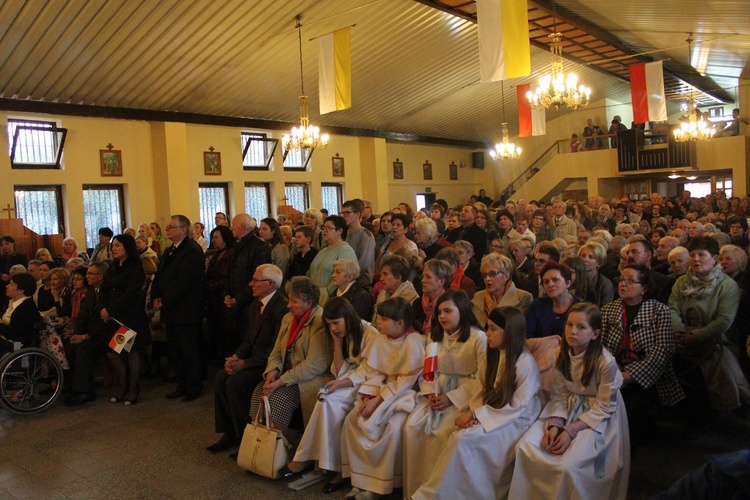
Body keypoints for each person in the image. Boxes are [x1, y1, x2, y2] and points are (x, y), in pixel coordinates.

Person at [411, 306, 541, 499]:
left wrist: (477, 416)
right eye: (487, 327)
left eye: (493, 329)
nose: (487, 333)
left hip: (514, 419)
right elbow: (481, 386)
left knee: (463, 439)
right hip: (491, 412)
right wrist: (475, 412)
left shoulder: (524, 363)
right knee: (458, 435)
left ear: (510, 331)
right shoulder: (495, 353)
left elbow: (516, 406)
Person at [510, 303, 630, 500]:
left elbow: (605, 405)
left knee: (570, 465)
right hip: (567, 407)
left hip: (597, 415)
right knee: (526, 447)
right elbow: (559, 395)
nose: (572, 332)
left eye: (581, 327)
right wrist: (556, 425)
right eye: (569, 325)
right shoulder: (559, 354)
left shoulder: (605, 362)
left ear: (595, 333)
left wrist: (570, 430)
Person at [283, 297, 379, 491]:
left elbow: (368, 370)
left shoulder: (370, 333)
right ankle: (321, 461)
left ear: (347, 317)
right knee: (324, 398)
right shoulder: (343, 335)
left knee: (329, 401)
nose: (333, 328)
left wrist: (341, 383)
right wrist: (336, 342)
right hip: (350, 378)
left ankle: (313, 460)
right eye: (329, 325)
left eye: (336, 323)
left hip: (369, 382)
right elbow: (338, 370)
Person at [403, 290, 487, 498]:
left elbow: (483, 379)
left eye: (448, 311)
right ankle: (417, 487)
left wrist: (451, 398)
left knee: (444, 434)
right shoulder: (435, 336)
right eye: (440, 312)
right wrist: (431, 392)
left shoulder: (478, 338)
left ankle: (440, 493)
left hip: (464, 397)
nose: (442, 317)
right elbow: (429, 371)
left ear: (463, 311)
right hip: (438, 392)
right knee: (413, 426)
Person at [340, 297, 425, 499]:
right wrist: (369, 397)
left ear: (400, 323)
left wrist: (378, 401)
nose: (378, 322)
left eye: (384, 319)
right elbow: (374, 372)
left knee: (393, 429)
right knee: (352, 420)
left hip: (404, 395)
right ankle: (360, 479)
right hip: (380, 391)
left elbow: (407, 380)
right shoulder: (380, 339)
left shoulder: (415, 341)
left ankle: (379, 485)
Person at [600, 264, 684, 448]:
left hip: (648, 374)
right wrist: (614, 371)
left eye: (630, 281)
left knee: (634, 410)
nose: (623, 284)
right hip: (614, 370)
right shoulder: (608, 310)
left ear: (644, 288)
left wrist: (629, 376)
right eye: (621, 279)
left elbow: (662, 351)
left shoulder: (659, 311)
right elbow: (601, 348)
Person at [207, 264, 288, 454]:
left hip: (270, 365)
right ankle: (230, 432)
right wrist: (236, 357)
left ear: (270, 283)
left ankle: (247, 435)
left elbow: (276, 349)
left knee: (236, 382)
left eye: (256, 280)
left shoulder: (282, 308)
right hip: (254, 358)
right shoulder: (255, 305)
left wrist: (245, 364)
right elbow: (248, 339)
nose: (251, 284)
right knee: (220, 378)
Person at [670, 236, 749, 416]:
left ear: (714, 259)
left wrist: (695, 337)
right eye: (692, 255)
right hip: (682, 337)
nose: (696, 259)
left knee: (718, 367)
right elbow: (672, 309)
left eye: (701, 255)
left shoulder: (728, 286)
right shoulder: (682, 282)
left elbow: (724, 321)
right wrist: (680, 332)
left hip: (717, 340)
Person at [248, 276, 332, 444]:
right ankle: (262, 448)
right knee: (258, 396)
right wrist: (272, 371)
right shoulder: (288, 318)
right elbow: (276, 352)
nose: (288, 305)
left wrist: (280, 382)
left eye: (294, 301)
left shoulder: (319, 322)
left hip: (305, 379)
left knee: (275, 403)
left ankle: (296, 442)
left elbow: (313, 365)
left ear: (308, 303)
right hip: (284, 374)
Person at [152, 215, 206, 402]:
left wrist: (165, 299)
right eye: (167, 227)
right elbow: (159, 276)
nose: (167, 230)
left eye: (171, 227)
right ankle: (181, 384)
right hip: (171, 310)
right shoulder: (169, 251)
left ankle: (193, 386)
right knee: (175, 350)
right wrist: (156, 296)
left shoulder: (192, 250)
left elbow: (185, 281)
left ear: (183, 229)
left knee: (189, 350)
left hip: (186, 309)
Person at [100, 234, 151, 406]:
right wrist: (103, 308)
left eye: (117, 245)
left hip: (129, 317)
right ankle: (124, 385)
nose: (113, 248)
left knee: (131, 351)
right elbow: (104, 289)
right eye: (113, 245)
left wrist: (110, 309)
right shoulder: (113, 267)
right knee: (113, 352)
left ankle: (133, 388)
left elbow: (130, 295)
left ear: (127, 248)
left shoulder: (135, 268)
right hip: (113, 317)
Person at [64, 262, 108, 406]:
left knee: (84, 348)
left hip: (103, 334)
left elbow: (101, 322)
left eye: (90, 274)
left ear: (100, 276)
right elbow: (82, 316)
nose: (87, 276)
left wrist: (84, 337)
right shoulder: (91, 292)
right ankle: (73, 387)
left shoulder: (106, 293)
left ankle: (86, 391)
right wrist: (76, 334)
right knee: (69, 346)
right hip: (89, 332)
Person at [223, 214, 272, 334]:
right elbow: (230, 272)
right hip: (235, 302)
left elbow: (258, 278)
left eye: (233, 224)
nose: (231, 228)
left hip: (250, 303)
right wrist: (227, 294)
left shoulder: (260, 246)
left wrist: (238, 299)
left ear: (242, 226)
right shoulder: (237, 244)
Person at [472, 253, 533, 329]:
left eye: (493, 273)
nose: (487, 279)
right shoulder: (478, 296)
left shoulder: (523, 297)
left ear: (506, 276)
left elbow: (516, 330)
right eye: (485, 275)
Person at [526, 261, 581, 339]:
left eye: (555, 280)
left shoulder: (581, 308)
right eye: (546, 282)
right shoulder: (537, 305)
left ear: (568, 283)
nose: (550, 285)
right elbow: (527, 337)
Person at [205, 225, 236, 357]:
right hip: (213, 298)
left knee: (226, 330)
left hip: (223, 297)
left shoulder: (231, 253)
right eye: (212, 237)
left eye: (216, 237)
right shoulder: (216, 254)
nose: (213, 240)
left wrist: (216, 284)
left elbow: (228, 275)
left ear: (225, 238)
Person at [307, 216, 357, 295]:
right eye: (324, 228)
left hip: (329, 297)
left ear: (340, 231)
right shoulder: (323, 251)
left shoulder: (346, 251)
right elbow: (310, 273)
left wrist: (326, 292)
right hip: (313, 296)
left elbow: (343, 278)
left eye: (329, 228)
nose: (324, 231)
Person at [0, 273, 42, 355]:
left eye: (11, 285)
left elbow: (14, 332)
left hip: (17, 344)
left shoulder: (26, 308)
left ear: (21, 290)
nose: (7, 286)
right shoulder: (12, 303)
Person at [371, 254, 419, 326]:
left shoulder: (411, 299)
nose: (381, 279)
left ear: (398, 277)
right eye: (381, 275)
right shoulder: (383, 293)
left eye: (385, 274)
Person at [341, 199, 376, 287]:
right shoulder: (349, 232)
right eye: (343, 213)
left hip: (361, 281)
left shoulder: (366, 235)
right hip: (348, 278)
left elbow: (363, 264)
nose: (344, 216)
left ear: (357, 214)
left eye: (347, 213)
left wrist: (346, 276)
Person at [412, 259, 452, 335]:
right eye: (423, 276)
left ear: (442, 281)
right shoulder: (417, 303)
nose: (422, 280)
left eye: (428, 277)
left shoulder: (449, 305)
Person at [578, 241, 615, 306]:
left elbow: (605, 310)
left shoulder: (605, 284)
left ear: (599, 262)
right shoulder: (573, 280)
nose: (585, 259)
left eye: (591, 257)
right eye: (583, 255)